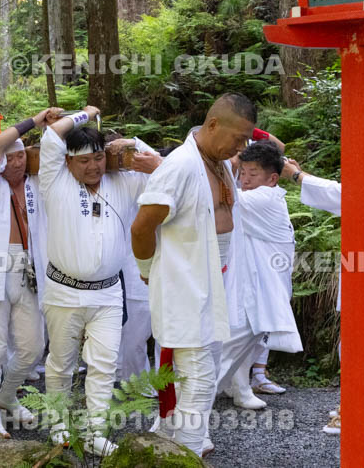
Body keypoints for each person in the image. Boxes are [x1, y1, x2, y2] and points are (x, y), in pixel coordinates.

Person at [131, 93, 257, 456]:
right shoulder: (181, 166)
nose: (241, 147)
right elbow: (141, 227)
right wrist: (146, 270)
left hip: (214, 280)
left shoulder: (217, 161)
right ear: (213, 125)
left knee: (202, 375)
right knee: (199, 380)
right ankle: (186, 452)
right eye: (238, 138)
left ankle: (184, 445)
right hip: (184, 283)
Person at [39, 105, 158, 456]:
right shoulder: (54, 180)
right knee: (61, 362)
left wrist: (131, 143)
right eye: (83, 161)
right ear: (68, 162)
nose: (93, 166)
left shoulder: (122, 182)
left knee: (104, 365)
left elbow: (157, 165)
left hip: (108, 293)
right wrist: (86, 114)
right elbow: (51, 136)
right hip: (63, 291)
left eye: (98, 158)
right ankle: (59, 425)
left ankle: (95, 432)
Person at [284, 139, 364, 434]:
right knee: (355, 344)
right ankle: (355, 403)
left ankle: (352, 412)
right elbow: (338, 192)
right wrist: (301, 174)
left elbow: (336, 193)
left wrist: (296, 175)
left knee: (355, 347)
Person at [0, 107, 59, 437]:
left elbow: (56, 151)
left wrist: (58, 125)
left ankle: (7, 395)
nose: (15, 162)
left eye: (20, 156)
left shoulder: (37, 185)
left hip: (29, 268)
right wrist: (36, 120)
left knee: (33, 347)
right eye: (9, 157)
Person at [216, 140, 302, 411]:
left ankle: (191, 399)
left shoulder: (263, 199)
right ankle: (232, 389)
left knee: (238, 341)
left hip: (263, 286)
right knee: (239, 339)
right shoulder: (262, 197)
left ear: (272, 178)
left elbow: (220, 195)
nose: (245, 179)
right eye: (242, 173)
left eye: (252, 174)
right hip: (252, 283)